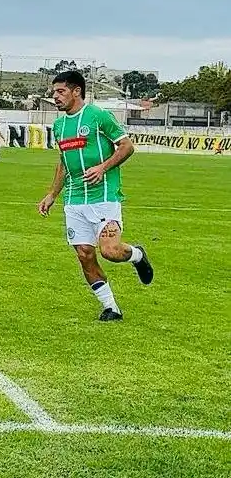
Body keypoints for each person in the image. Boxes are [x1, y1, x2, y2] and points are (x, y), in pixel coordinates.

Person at [38, 70, 154, 322]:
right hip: (75, 200)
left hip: (103, 197)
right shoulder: (59, 126)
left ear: (76, 91)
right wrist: (52, 194)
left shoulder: (98, 116)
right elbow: (63, 162)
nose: (55, 97)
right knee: (84, 255)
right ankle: (112, 307)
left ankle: (137, 255)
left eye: (60, 92)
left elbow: (127, 146)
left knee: (110, 251)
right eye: (53, 92)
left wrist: (103, 167)